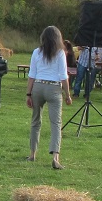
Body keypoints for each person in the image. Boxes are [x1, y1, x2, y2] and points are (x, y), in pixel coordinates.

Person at [25, 25, 72, 170]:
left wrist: (28, 94)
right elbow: (64, 77)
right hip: (53, 88)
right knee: (56, 123)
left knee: (35, 121)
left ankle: (32, 154)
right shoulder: (60, 53)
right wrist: (68, 95)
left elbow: (32, 75)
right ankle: (55, 157)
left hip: (38, 87)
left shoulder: (36, 52)